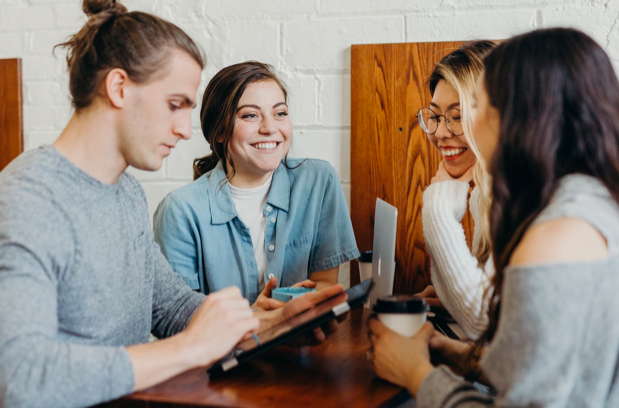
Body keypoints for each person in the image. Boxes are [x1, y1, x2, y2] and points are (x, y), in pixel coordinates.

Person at [0, 2, 344, 407]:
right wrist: (190, 349)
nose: (184, 129)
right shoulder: (27, 200)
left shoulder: (124, 192)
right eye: (174, 104)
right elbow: (21, 378)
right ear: (119, 88)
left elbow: (172, 307)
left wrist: (265, 325)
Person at [368, 27, 619, 406]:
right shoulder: (586, 203)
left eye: (478, 105)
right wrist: (456, 354)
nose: (456, 128)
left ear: (521, 116)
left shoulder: (556, 235)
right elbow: (544, 369)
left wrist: (417, 374)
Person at [153, 61, 360, 309]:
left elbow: (325, 285)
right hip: (225, 348)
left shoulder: (318, 181)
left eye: (280, 113)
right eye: (250, 115)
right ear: (219, 131)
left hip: (301, 342)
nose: (270, 128)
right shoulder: (179, 211)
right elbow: (180, 317)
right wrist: (257, 319)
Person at [415, 41, 496, 340]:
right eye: (434, 116)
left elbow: (483, 323)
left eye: (457, 116)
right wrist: (451, 300)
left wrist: (438, 207)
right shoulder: (484, 192)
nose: (440, 132)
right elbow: (488, 312)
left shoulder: (519, 195)